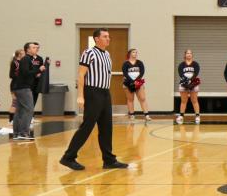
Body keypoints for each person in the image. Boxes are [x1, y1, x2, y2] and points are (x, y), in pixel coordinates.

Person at [60, 29, 128, 170]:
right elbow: (81, 75)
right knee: (87, 126)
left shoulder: (107, 54)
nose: (108, 39)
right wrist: (80, 95)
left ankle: (109, 160)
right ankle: (68, 157)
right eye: (105, 36)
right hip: (92, 93)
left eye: (109, 36)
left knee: (106, 127)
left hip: (105, 93)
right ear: (97, 39)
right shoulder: (88, 53)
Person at [12, 42, 45, 142]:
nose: (36, 48)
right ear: (28, 50)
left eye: (36, 47)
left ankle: (17, 133)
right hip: (24, 88)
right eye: (34, 47)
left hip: (20, 87)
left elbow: (26, 73)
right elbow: (26, 73)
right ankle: (23, 133)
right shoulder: (26, 59)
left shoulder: (27, 59)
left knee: (20, 110)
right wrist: (38, 70)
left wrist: (35, 74)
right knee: (29, 109)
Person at [122, 49, 151, 122]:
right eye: (133, 52)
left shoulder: (139, 62)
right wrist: (132, 81)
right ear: (130, 54)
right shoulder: (126, 63)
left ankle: (146, 115)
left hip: (138, 82)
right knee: (130, 99)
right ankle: (132, 115)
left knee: (142, 98)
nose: (135, 53)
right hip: (128, 83)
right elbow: (125, 73)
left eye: (136, 52)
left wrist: (136, 81)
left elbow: (142, 72)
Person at [176, 50, 201, 125]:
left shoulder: (195, 64)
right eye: (187, 53)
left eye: (190, 53)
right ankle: (181, 116)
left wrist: (191, 81)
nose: (189, 54)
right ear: (185, 55)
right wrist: (186, 81)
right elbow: (181, 74)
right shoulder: (181, 64)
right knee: (183, 101)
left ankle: (197, 116)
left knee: (194, 100)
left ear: (192, 55)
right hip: (184, 83)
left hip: (193, 83)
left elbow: (196, 73)